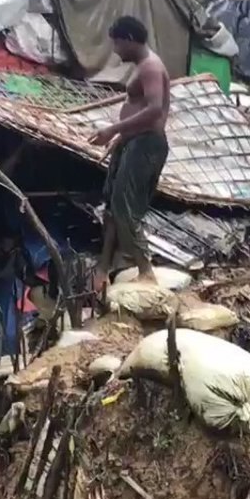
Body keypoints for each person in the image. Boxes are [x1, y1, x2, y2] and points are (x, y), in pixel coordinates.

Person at [89, 15, 170, 293]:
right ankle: (104, 267)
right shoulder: (142, 67)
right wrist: (122, 137)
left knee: (126, 209)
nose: (116, 51)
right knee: (113, 205)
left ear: (130, 40)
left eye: (117, 43)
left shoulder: (151, 67)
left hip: (147, 145)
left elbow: (154, 110)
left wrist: (114, 129)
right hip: (133, 141)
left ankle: (146, 271)